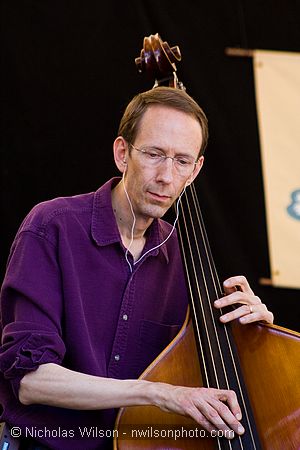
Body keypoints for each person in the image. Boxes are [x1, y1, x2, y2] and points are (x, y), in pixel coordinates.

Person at [0, 86, 274, 449]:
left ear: (196, 170)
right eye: (155, 154)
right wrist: (156, 393)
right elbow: (31, 382)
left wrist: (257, 340)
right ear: (122, 153)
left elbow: (208, 380)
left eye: (182, 161)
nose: (166, 176)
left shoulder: (186, 260)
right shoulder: (52, 226)